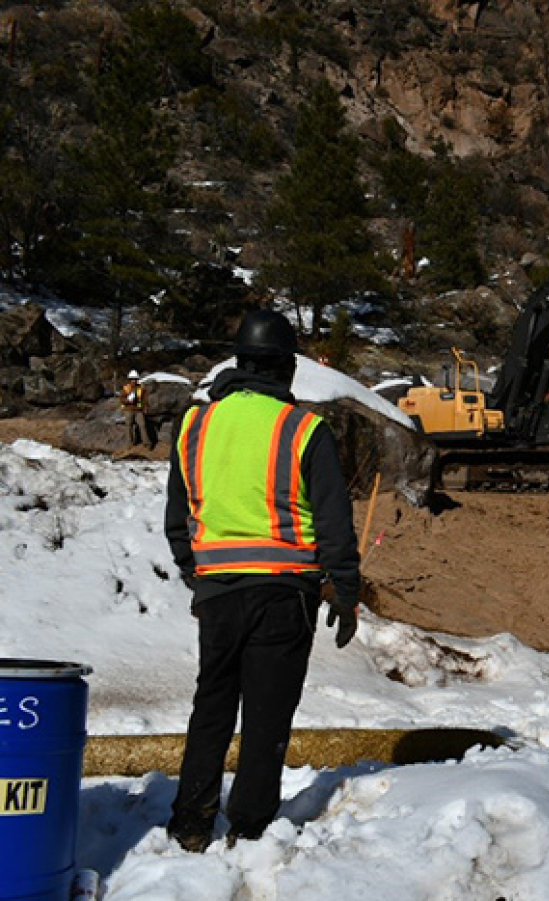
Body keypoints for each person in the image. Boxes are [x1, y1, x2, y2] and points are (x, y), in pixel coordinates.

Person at [163, 309, 362, 852]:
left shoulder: (195, 425)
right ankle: (249, 829)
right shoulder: (303, 428)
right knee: (267, 714)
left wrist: (196, 574)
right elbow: (334, 521)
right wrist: (346, 591)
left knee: (212, 706)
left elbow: (177, 517)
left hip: (219, 592)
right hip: (284, 593)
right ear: (284, 368)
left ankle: (191, 822)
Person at [121, 370, 151, 448]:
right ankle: (129, 444)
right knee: (128, 426)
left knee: (142, 425)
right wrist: (127, 400)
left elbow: (145, 398)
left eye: (135, 379)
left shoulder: (141, 388)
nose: (133, 380)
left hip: (138, 410)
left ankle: (147, 443)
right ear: (129, 379)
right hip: (128, 409)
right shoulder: (126, 388)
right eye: (132, 379)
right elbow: (121, 399)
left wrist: (146, 407)